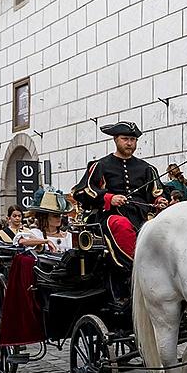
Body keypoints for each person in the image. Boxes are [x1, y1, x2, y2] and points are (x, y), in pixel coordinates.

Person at [71, 121, 166, 283]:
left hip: (141, 216)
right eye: (125, 139)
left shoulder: (147, 168)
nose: (130, 143)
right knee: (121, 224)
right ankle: (134, 271)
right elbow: (81, 192)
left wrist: (160, 200)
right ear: (115, 139)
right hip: (108, 216)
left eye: (133, 140)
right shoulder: (100, 165)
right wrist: (108, 198)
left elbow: (156, 192)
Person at [14, 188, 74, 252]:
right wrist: (46, 241)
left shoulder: (68, 236)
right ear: (45, 217)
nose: (59, 218)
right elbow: (21, 241)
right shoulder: (36, 233)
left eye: (60, 215)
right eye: (55, 216)